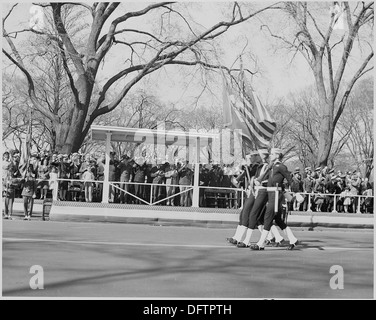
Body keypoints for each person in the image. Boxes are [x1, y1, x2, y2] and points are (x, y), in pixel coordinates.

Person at [250, 148, 299, 251]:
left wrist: (296, 192)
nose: (270, 156)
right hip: (271, 194)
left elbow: (290, 179)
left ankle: (260, 243)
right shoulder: (272, 167)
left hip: (276, 195)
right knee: (278, 220)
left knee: (268, 218)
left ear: (277, 155)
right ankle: (293, 239)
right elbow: (270, 180)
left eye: (272, 154)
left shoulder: (281, 167)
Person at [226, 150, 261, 245]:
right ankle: (236, 237)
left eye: (252, 157)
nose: (250, 158)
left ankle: (239, 238)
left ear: (257, 157)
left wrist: (246, 166)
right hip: (250, 191)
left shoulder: (258, 166)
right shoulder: (253, 166)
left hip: (256, 192)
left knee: (247, 215)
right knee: (245, 216)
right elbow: (247, 175)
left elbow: (252, 173)